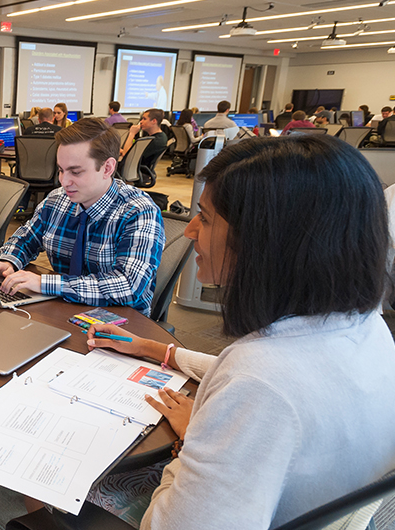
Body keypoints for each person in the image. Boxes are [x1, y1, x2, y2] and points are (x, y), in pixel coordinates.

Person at [60, 134, 395, 529]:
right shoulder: (364, 324)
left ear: (261, 238)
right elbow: (260, 373)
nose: (189, 231)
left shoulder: (258, 385)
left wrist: (193, 439)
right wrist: (158, 351)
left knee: (63, 473)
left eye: (206, 216)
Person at [0, 118, 164, 315]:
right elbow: (25, 239)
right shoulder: (57, 200)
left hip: (120, 321)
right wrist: (8, 260)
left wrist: (46, 283)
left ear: (107, 168)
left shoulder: (138, 212)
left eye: (76, 172)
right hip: (63, 308)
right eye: (61, 170)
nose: (64, 181)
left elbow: (129, 286)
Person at [120, 108, 168, 173]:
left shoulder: (154, 141)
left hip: (134, 171)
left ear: (154, 121)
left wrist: (132, 134)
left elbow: (126, 155)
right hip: (137, 169)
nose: (141, 122)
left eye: (144, 119)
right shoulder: (159, 136)